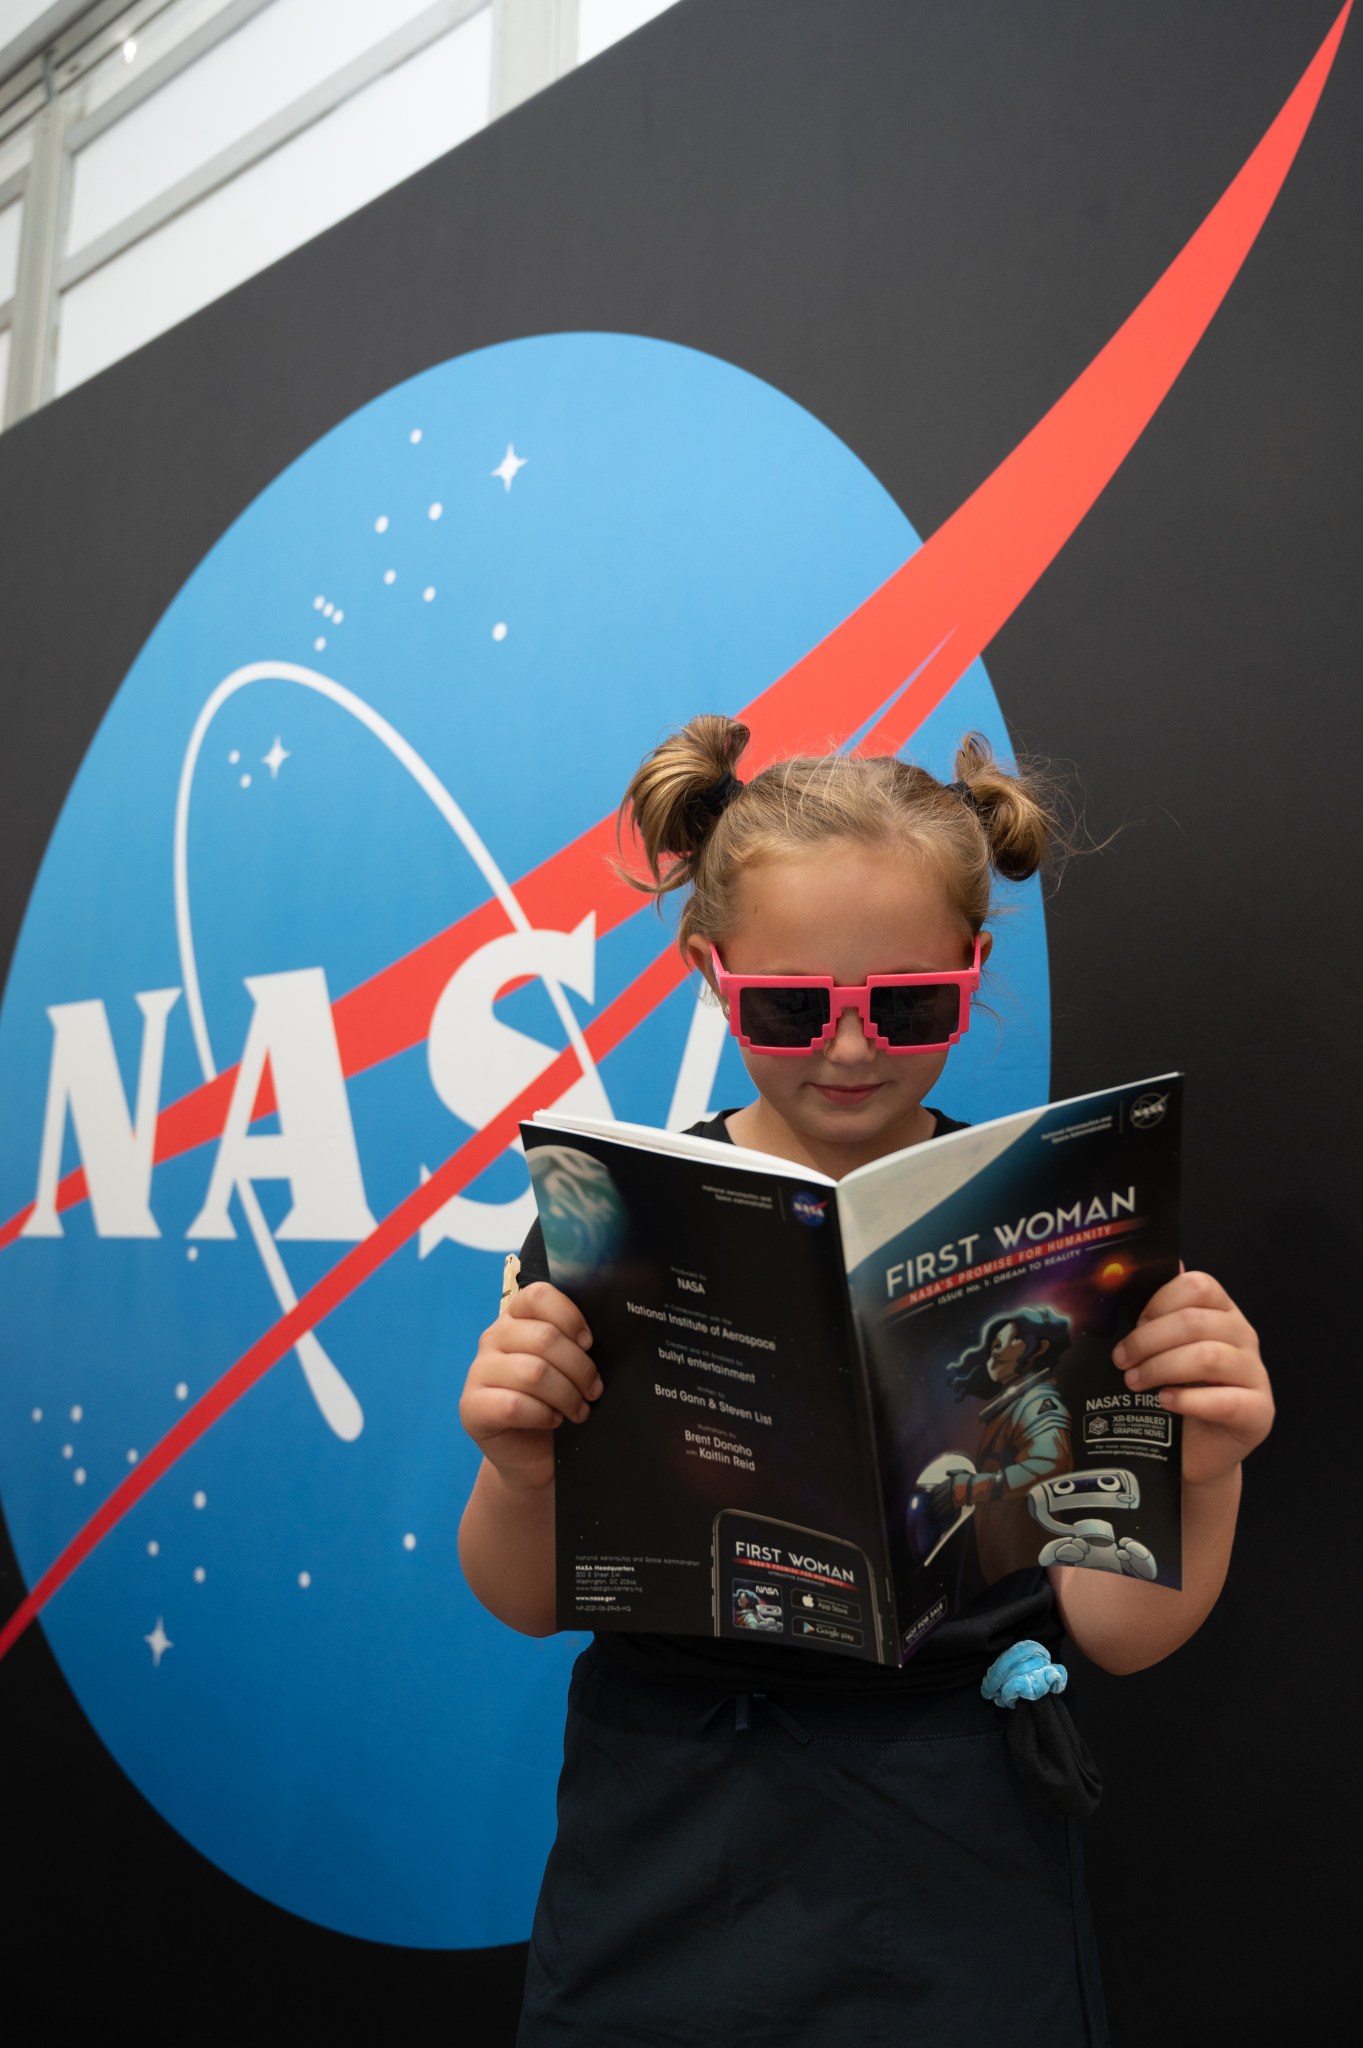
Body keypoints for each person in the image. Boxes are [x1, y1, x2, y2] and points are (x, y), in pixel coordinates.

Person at [458, 716, 1274, 2047]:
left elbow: (1118, 1629)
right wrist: (518, 1468)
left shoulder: (1065, 1228)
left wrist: (1213, 1465)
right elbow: (528, 1596)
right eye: (792, 1005)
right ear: (713, 980)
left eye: (907, 1004)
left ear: (973, 974)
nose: (848, 1048)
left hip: (954, 1846)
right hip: (667, 1831)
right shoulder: (609, 1227)